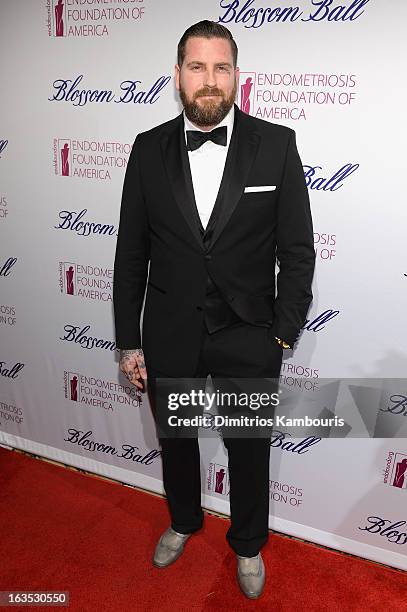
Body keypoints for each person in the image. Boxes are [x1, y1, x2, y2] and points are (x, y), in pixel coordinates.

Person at [113, 20, 315, 600]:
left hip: (250, 335)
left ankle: (248, 543)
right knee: (176, 440)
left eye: (221, 68)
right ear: (178, 75)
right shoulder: (147, 149)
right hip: (170, 330)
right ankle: (183, 520)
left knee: (249, 449)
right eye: (197, 67)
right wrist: (130, 341)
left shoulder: (275, 144)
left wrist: (281, 335)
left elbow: (297, 252)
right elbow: (130, 253)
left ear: (236, 77)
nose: (209, 81)